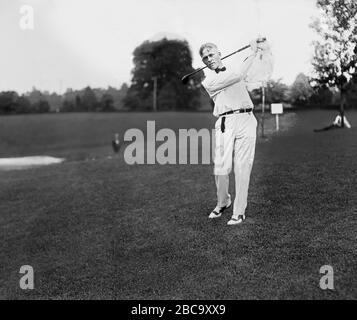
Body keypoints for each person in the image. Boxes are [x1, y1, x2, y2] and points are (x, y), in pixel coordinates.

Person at [200, 38, 273, 225]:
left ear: (219, 54)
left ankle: (239, 211)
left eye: (211, 54)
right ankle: (223, 201)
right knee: (221, 168)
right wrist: (251, 51)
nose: (209, 58)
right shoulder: (208, 81)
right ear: (203, 62)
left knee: (242, 167)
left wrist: (258, 51)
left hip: (246, 120)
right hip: (225, 122)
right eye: (205, 57)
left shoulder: (233, 69)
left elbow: (252, 73)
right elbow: (239, 74)